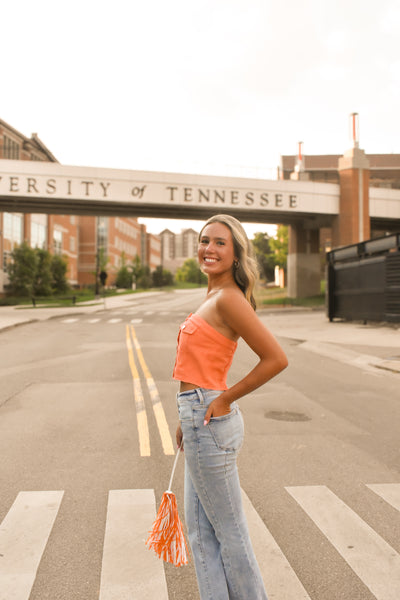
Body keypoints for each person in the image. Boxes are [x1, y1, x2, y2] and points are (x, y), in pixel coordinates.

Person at [173, 214, 288, 600]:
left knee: (230, 532)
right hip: (198, 417)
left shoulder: (229, 299)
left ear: (236, 254)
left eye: (220, 242)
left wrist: (223, 398)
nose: (209, 248)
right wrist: (186, 418)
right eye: (205, 241)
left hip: (210, 416)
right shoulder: (212, 296)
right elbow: (203, 366)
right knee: (201, 534)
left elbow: (276, 358)